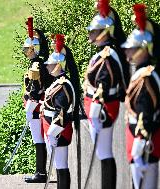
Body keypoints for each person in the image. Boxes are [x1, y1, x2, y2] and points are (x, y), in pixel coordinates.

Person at [83, 0, 129, 188]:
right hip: (98, 107)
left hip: (102, 108)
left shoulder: (107, 55)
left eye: (94, 32)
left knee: (105, 154)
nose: (91, 35)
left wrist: (97, 104)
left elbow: (104, 82)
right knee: (102, 154)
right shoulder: (102, 53)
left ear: (104, 33)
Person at [121, 4, 160, 189]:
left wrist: (141, 139)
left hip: (144, 141)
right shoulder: (144, 74)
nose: (127, 52)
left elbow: (146, 110)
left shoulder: (146, 78)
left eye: (132, 48)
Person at [41, 34, 80, 189]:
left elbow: (61, 112)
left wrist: (52, 132)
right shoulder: (58, 82)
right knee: (58, 166)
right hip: (53, 129)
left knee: (61, 166)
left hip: (58, 131)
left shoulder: (63, 85)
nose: (48, 67)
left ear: (58, 66)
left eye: (50, 65)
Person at [22, 16, 54, 183]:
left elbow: (35, 90)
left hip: (35, 108)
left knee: (39, 140)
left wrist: (29, 108)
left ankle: (41, 172)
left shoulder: (36, 65)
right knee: (39, 140)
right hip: (36, 107)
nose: (24, 51)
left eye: (26, 48)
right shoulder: (38, 63)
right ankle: (41, 172)